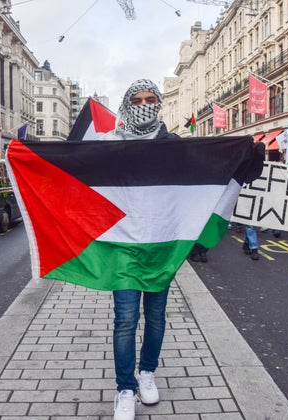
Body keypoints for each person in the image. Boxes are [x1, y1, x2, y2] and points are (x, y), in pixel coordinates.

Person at [100, 79, 179, 420]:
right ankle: (125, 389)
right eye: (137, 100)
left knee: (157, 317)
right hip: (123, 244)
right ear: (127, 104)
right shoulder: (111, 143)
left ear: (158, 103)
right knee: (126, 320)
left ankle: (147, 372)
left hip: (160, 244)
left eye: (151, 99)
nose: (144, 104)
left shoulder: (172, 144)